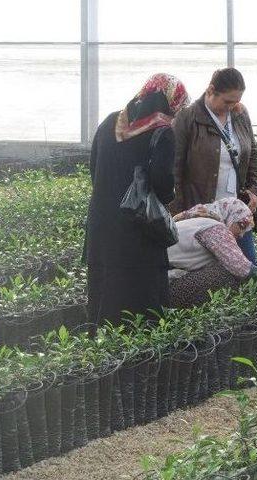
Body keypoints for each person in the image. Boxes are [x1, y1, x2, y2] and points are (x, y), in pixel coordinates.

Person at [86, 73, 189, 326]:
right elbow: (163, 185)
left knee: (105, 299)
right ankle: (140, 363)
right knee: (142, 307)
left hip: (101, 228)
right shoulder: (162, 131)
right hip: (138, 233)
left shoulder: (110, 122)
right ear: (169, 102)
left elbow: (94, 169)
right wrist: (168, 196)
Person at [170, 67, 257, 264]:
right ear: (211, 90)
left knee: (248, 266)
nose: (232, 106)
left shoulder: (239, 114)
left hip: (237, 212)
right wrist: (178, 215)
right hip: (203, 215)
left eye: (236, 101)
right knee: (215, 274)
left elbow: (253, 156)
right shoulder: (188, 118)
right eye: (227, 101)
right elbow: (174, 170)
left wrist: (254, 192)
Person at [168, 198, 257, 307]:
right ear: (230, 216)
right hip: (169, 289)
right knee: (228, 273)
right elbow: (240, 267)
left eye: (246, 230)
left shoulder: (197, 222)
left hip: (163, 286)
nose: (241, 234)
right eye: (242, 225)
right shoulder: (214, 227)